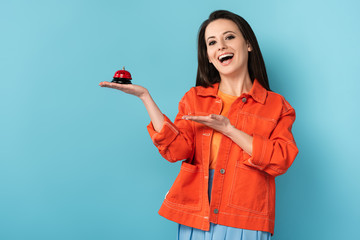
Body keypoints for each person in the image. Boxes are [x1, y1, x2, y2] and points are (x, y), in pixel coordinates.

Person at [100, 10, 298, 240]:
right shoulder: (195, 99)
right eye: (212, 42)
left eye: (229, 37)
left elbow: (281, 159)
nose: (221, 46)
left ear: (249, 44)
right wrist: (145, 97)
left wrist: (229, 130)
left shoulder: (276, 106)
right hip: (197, 215)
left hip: (245, 218)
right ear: (209, 56)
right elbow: (177, 151)